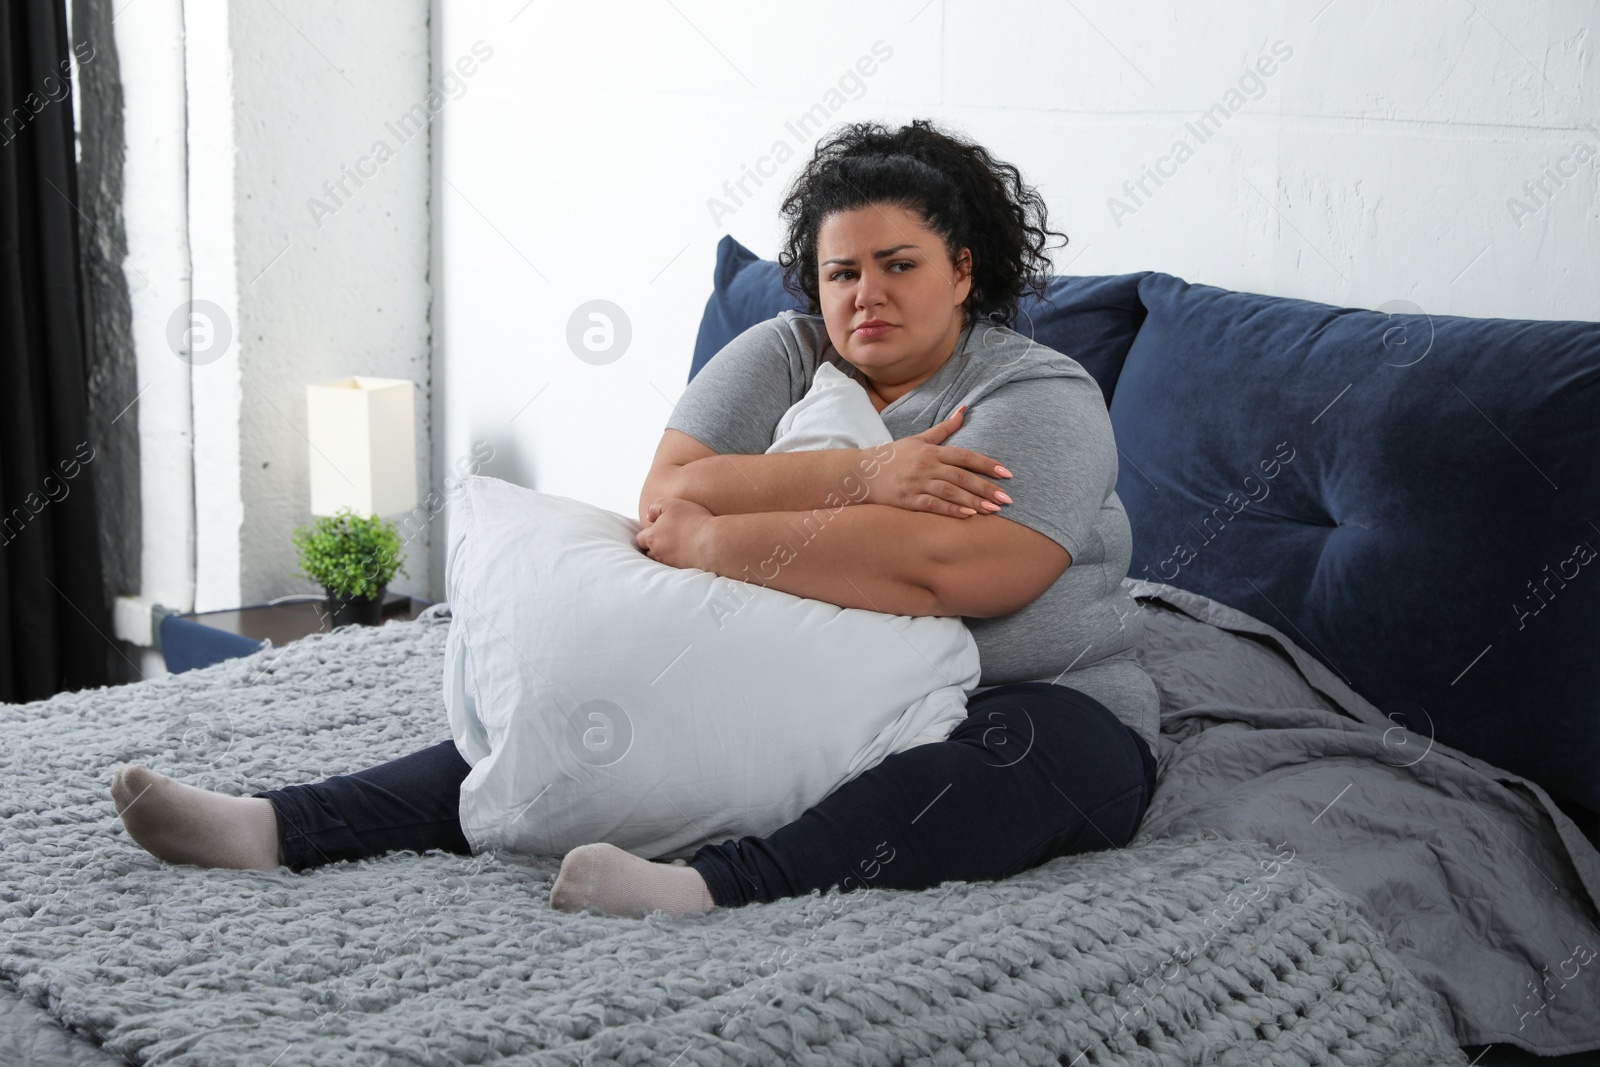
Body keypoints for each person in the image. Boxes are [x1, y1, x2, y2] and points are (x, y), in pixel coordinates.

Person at [109, 118, 1160, 919]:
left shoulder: (1039, 397)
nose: (865, 296)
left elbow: (951, 574)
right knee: (576, 721)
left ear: (962, 270)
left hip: (1025, 693)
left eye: (899, 265)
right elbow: (665, 494)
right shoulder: (784, 352)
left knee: (1011, 766)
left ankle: (708, 889)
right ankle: (278, 825)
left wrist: (715, 539)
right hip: (797, 661)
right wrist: (869, 476)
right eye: (842, 271)